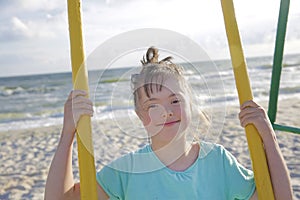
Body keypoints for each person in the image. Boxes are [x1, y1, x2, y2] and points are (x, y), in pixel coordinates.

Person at [45, 47, 293, 199]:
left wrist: (268, 139)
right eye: (153, 104)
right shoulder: (128, 170)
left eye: (175, 101)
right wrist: (68, 134)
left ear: (190, 105)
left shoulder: (218, 162)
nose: (166, 112)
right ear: (141, 116)